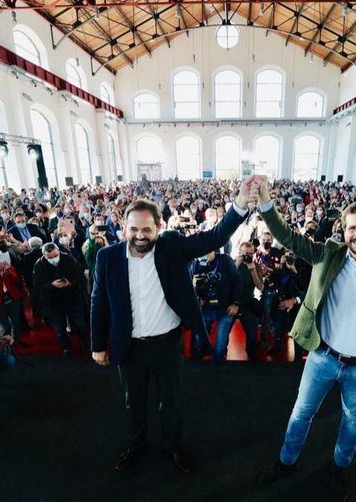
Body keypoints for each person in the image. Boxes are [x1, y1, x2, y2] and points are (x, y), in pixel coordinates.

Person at [255, 177, 356, 500]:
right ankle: (286, 462)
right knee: (301, 412)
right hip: (322, 357)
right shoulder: (328, 255)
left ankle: (340, 467)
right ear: (343, 231)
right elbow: (287, 237)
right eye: (353, 228)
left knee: (352, 419)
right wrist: (265, 204)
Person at [90, 176, 258, 475]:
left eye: (146, 229)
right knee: (134, 403)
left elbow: (213, 238)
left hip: (167, 345)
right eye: (133, 229)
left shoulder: (172, 247)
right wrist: (97, 345)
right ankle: (135, 444)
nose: (140, 235)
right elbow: (98, 301)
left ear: (158, 228)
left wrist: (240, 205)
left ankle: (173, 446)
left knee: (172, 402)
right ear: (123, 228)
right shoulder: (107, 257)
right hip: (128, 348)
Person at [33, 242, 86, 356]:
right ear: (44, 256)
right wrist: (51, 285)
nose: (54, 259)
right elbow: (37, 286)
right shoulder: (39, 265)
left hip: (72, 297)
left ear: (59, 251)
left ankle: (84, 341)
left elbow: (79, 276)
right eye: (50, 258)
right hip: (53, 302)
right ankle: (66, 348)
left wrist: (70, 282)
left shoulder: (68, 259)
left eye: (56, 255)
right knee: (59, 328)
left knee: (80, 323)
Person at [189, 250, 241, 362]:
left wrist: (236, 303)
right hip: (205, 308)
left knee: (220, 343)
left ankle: (218, 368)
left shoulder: (225, 260)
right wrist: (195, 290)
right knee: (199, 340)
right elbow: (188, 287)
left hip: (225, 308)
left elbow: (237, 281)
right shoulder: (195, 263)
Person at [0, 249, 26, 347]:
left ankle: (17, 341)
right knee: (5, 327)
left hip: (12, 299)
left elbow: (16, 279)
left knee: (16, 323)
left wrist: (7, 271)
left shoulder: (9, 267)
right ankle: (7, 346)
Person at [235, 242, 264, 360]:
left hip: (247, 303)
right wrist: (236, 265)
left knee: (252, 334)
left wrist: (253, 271)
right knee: (223, 335)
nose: (248, 256)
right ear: (240, 253)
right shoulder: (233, 263)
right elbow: (227, 283)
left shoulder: (256, 266)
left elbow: (260, 287)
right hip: (232, 303)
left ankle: (251, 357)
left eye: (251, 254)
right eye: (246, 254)